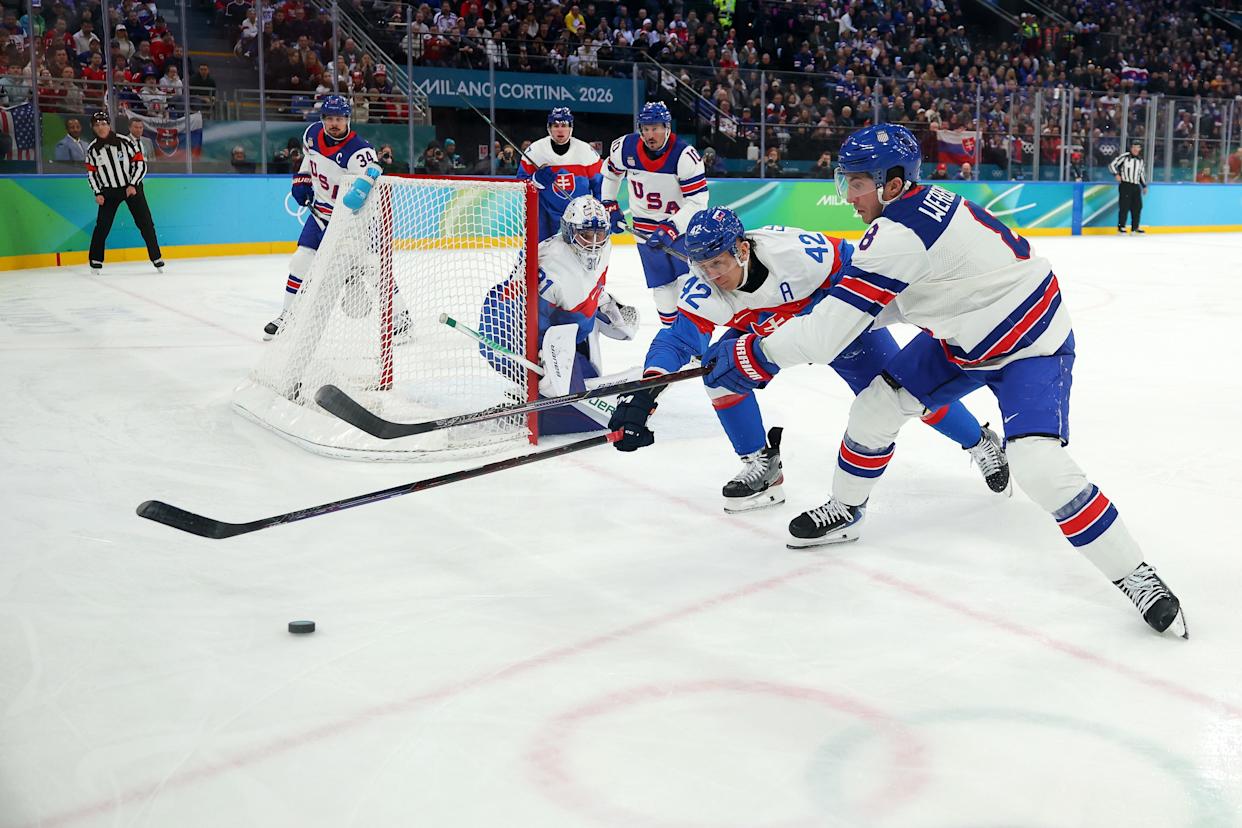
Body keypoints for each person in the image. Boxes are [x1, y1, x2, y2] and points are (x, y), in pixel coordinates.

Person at [701, 124, 1187, 637]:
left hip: (1030, 345)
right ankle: (846, 509)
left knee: (1038, 465)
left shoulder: (896, 235)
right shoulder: (914, 209)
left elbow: (828, 337)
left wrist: (753, 352)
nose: (848, 196)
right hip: (965, 334)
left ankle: (1138, 576)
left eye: (856, 184)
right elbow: (897, 301)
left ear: (891, 183)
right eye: (845, 181)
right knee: (875, 408)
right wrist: (811, 325)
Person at [608, 208, 1008, 512]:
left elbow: (864, 273)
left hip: (833, 322)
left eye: (717, 264)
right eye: (702, 265)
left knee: (906, 393)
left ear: (742, 250)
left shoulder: (797, 253)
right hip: (769, 332)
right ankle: (761, 466)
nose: (711, 275)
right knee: (718, 373)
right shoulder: (704, 285)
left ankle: (979, 441)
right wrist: (644, 394)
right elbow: (678, 339)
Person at [478, 195, 639, 434]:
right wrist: (538, 356)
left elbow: (588, 283)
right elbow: (524, 316)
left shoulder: (605, 247)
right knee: (579, 410)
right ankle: (525, 415)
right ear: (569, 231)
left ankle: (539, 399)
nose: (594, 243)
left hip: (566, 330)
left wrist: (605, 303)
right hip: (512, 333)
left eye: (599, 234)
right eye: (587, 235)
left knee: (588, 382)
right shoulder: (550, 264)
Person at [264, 95, 379, 339]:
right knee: (300, 262)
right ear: (323, 119)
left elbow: (367, 193)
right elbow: (309, 159)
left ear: (348, 119)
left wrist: (352, 221)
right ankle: (287, 316)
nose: (334, 123)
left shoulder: (360, 152)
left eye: (339, 119)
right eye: (329, 118)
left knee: (373, 269)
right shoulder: (312, 134)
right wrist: (302, 179)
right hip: (320, 214)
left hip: (352, 222)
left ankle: (400, 318)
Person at [601, 101, 708, 326]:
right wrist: (609, 202)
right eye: (646, 128)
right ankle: (670, 333)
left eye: (656, 128)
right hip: (644, 231)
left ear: (667, 128)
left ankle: (691, 333)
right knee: (662, 287)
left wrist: (673, 226)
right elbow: (611, 175)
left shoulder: (684, 156)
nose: (651, 134)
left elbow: (698, 202)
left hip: (681, 232)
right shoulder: (624, 148)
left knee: (688, 284)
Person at [84, 110, 163, 271]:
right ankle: (95, 259)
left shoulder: (125, 142)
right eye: (97, 125)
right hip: (109, 191)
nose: (101, 127)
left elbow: (140, 164)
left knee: (146, 223)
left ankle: (156, 257)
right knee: (102, 226)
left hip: (131, 188)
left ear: (109, 125)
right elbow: (91, 174)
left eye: (103, 124)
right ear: (93, 128)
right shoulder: (92, 150)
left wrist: (133, 184)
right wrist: (97, 192)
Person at [517, 107, 603, 241]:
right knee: (536, 248)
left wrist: (601, 211)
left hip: (579, 214)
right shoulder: (535, 151)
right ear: (549, 128)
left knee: (587, 248)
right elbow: (520, 184)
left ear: (571, 128)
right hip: (544, 213)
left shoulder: (586, 152)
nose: (560, 130)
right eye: (556, 126)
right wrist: (535, 180)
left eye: (564, 125)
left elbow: (600, 186)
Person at [1109, 140, 1147, 234]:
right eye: (1134, 147)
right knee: (1124, 206)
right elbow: (1112, 165)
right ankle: (1121, 227)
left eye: (1137, 147)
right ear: (1131, 148)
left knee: (1137, 207)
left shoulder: (1140, 160)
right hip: (1126, 185)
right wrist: (1116, 174)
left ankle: (1135, 227)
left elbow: (1141, 174)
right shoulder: (1125, 157)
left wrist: (1144, 185)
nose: (1135, 149)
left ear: (1140, 149)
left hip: (1136, 186)